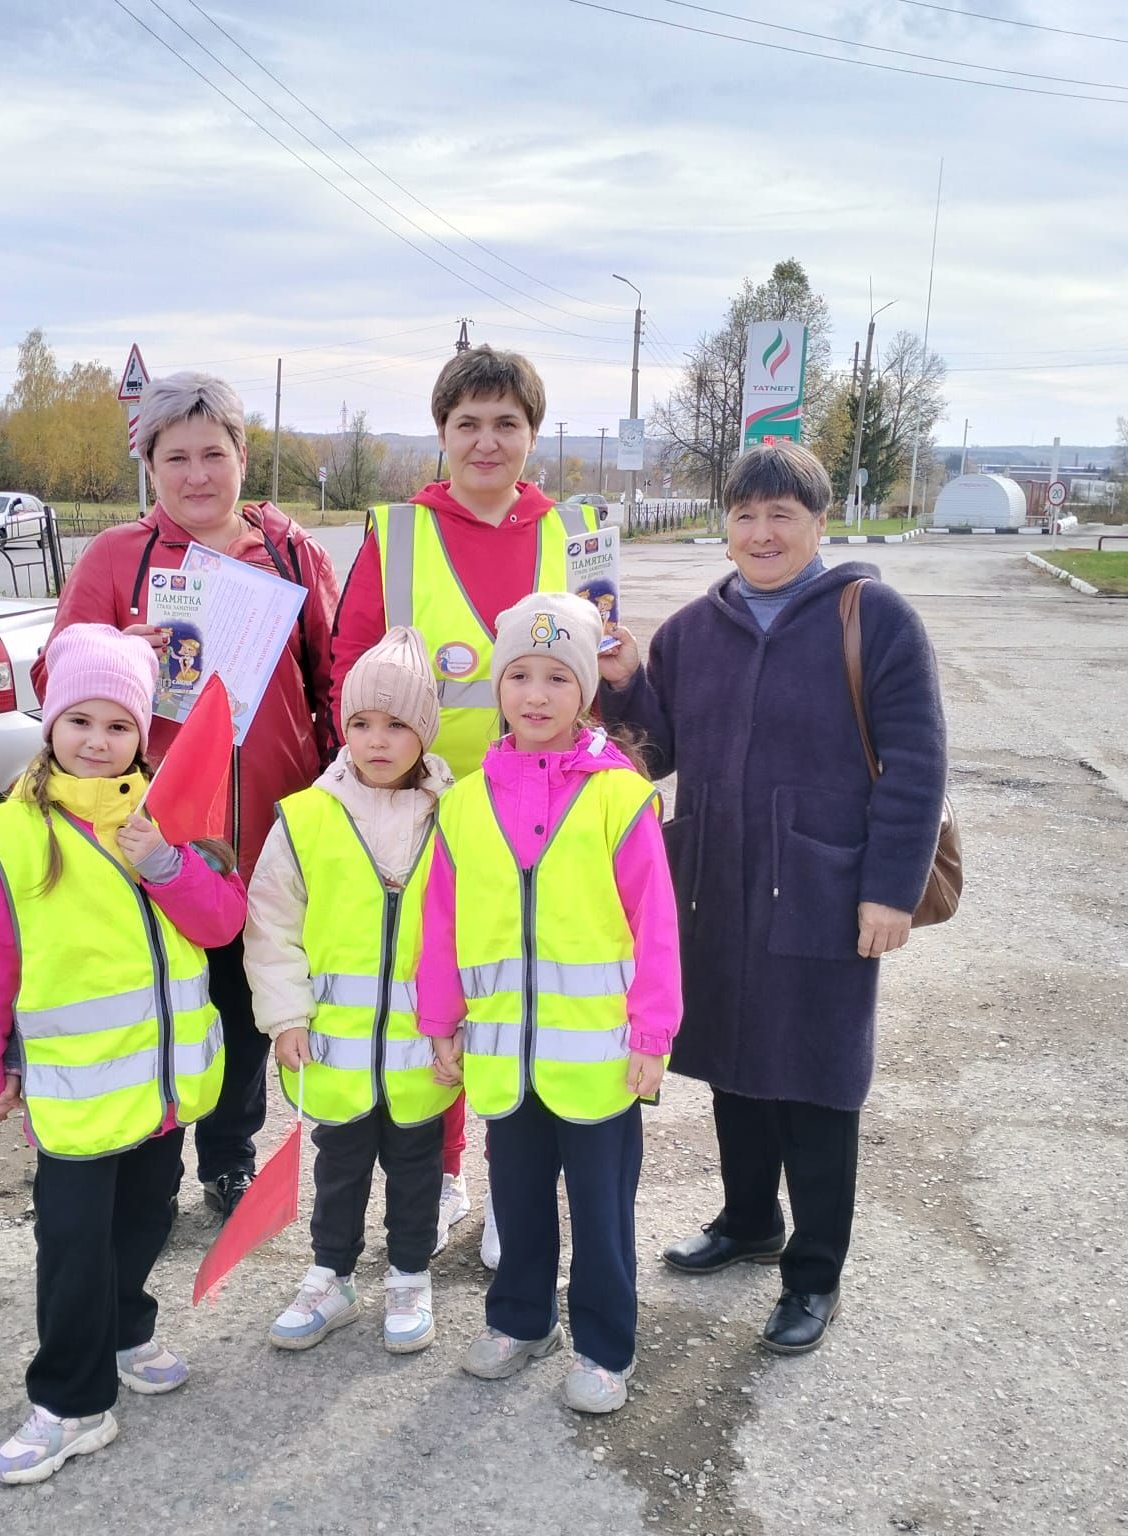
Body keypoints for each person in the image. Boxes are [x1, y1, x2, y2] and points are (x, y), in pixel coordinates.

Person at [598, 442, 948, 1355]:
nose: (761, 533)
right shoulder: (690, 630)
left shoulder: (875, 619)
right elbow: (652, 754)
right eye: (746, 515)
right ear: (725, 524)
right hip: (713, 883)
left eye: (782, 515)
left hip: (826, 890)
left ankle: (814, 1272)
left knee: (819, 1080)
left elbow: (916, 767)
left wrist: (890, 891)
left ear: (818, 524)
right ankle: (749, 1220)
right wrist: (625, 681)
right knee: (734, 1059)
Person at [32, 372, 338, 1220]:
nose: (197, 474)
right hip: (152, 829)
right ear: (149, 465)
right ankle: (150, 1160)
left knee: (246, 1000)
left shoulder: (289, 552)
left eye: (214, 453)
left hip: (269, 823)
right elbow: (55, 674)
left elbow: (332, 674)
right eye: (176, 458)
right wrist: (115, 650)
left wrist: (336, 787)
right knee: (165, 989)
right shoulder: (117, 558)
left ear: (244, 456)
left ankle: (229, 1157)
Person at [0, 624, 246, 1484]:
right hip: (78, 1095)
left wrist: (165, 865)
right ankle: (70, 1404)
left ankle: (126, 1328)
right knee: (73, 1245)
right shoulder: (7, 833)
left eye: (118, 724)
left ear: (143, 735)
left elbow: (221, 923)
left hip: (163, 1091)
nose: (98, 739)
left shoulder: (169, 815)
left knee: (146, 1221)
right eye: (80, 719)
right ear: (50, 725)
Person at [330, 345, 601, 1264]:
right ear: (442, 434)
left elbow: (598, 664)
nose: (487, 443)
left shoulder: (570, 532)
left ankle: (513, 1190)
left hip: (543, 813)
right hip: (425, 813)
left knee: (525, 991)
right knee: (436, 996)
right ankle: (444, 1179)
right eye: (467, 425)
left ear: (533, 432)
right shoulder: (398, 533)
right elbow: (351, 663)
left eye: (507, 424)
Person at [418, 593, 682, 1415]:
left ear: (585, 692)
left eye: (558, 678)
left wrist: (653, 1032)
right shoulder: (462, 803)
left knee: (602, 1215)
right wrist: (441, 1018)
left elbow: (656, 925)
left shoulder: (619, 797)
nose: (536, 695)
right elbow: (442, 921)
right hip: (505, 1052)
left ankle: (605, 1347)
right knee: (518, 1199)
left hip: (599, 1058)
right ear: (498, 688)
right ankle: (520, 1320)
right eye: (520, 676)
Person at [245, 626, 457, 1355]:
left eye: (397, 724)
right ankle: (330, 1274)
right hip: (334, 1049)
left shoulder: (454, 817)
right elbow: (272, 921)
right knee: (338, 1168)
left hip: (420, 1050)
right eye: (362, 722)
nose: (376, 739)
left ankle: (408, 1275)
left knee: (417, 1169)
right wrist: (284, 1016)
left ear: (424, 734)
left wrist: (460, 1022)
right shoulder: (308, 816)